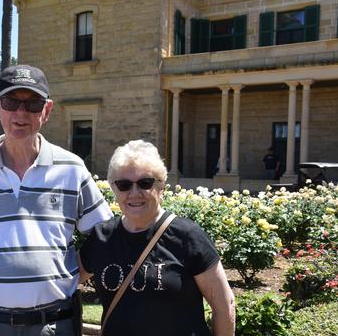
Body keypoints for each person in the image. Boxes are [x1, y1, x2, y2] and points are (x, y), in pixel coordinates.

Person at [0, 65, 113, 336]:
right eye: (11, 102)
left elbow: (105, 234)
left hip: (54, 324)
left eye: (33, 103)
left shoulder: (71, 168)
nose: (21, 113)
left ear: (46, 111)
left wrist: (74, 272)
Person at [78, 140, 235, 336]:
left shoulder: (187, 236)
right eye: (124, 185)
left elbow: (223, 304)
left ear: (161, 187)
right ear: (114, 189)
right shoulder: (103, 237)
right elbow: (64, 279)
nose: (134, 193)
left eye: (145, 183)